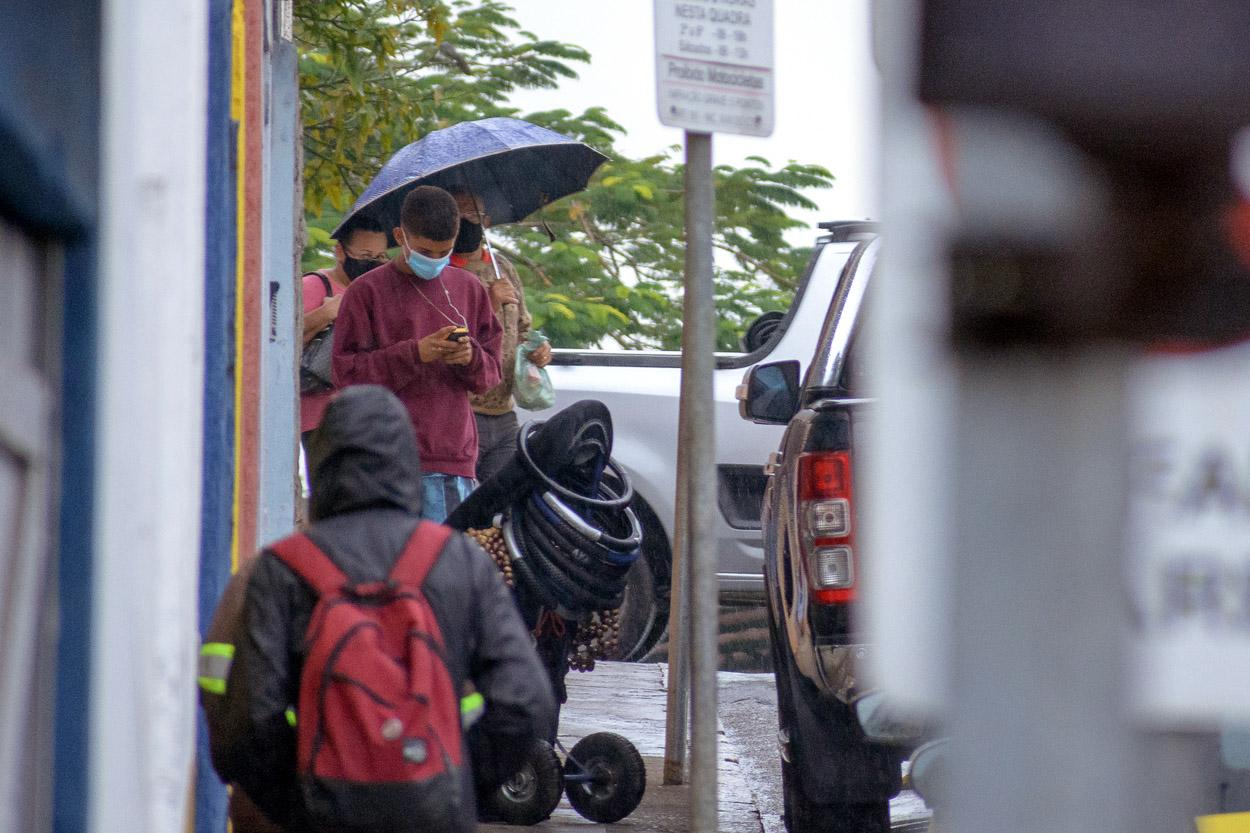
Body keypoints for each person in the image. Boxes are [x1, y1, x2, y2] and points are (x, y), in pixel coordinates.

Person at [206, 385, 556, 832]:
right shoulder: (459, 562)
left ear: (320, 465)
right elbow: (524, 701)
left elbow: (248, 719)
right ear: (408, 464)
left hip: (319, 809)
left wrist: (298, 802)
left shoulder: (282, 570)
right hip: (435, 811)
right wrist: (456, 784)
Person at [332, 186, 503, 521]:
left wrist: (469, 358)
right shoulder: (365, 292)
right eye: (425, 250)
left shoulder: (469, 288)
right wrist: (415, 354)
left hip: (452, 457)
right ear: (401, 236)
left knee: (443, 569)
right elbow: (346, 377)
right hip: (384, 461)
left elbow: (490, 375)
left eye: (445, 251)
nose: (435, 260)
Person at [448, 190, 553, 483]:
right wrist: (489, 304)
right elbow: (448, 337)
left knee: (500, 500)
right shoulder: (442, 273)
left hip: (504, 412)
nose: (467, 222)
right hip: (463, 411)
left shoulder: (502, 267)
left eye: (474, 216)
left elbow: (521, 328)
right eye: (459, 215)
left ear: (487, 222)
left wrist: (538, 349)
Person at [299, 215, 389, 443]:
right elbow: (281, 339)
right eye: (365, 256)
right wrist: (326, 313)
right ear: (340, 251)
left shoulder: (378, 294)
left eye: (380, 257)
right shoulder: (314, 285)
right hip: (320, 418)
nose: (373, 263)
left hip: (367, 415)